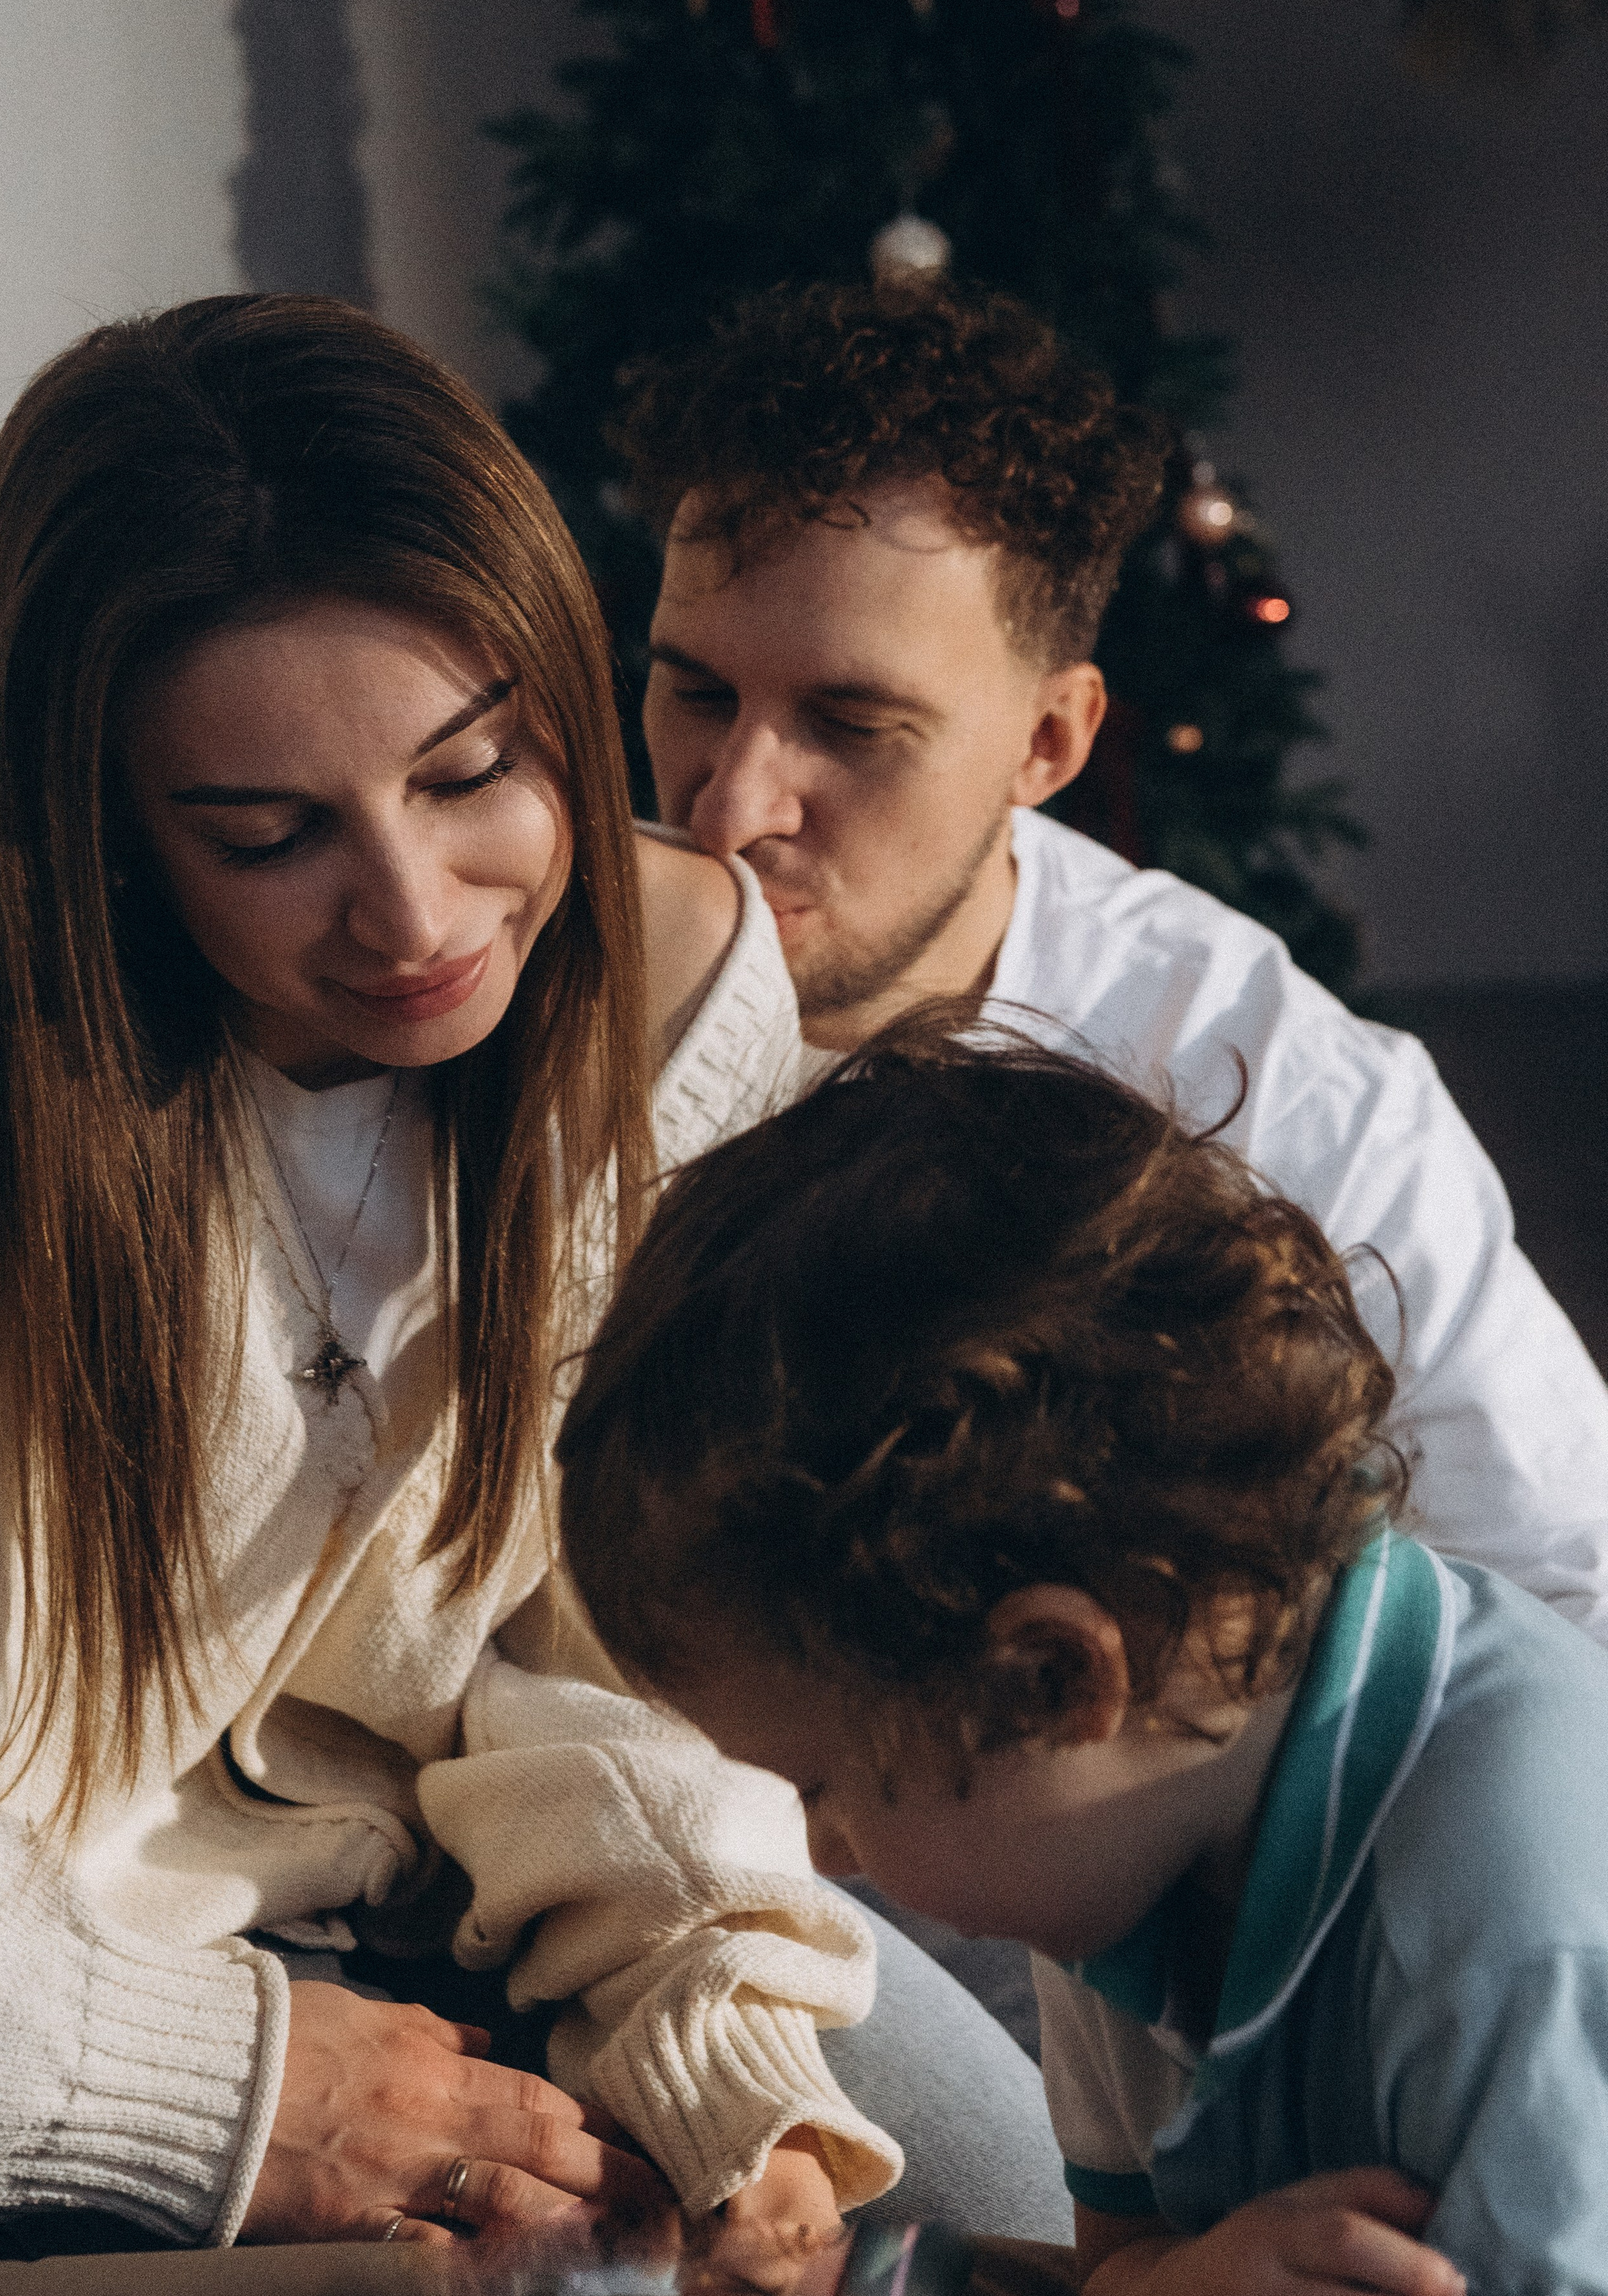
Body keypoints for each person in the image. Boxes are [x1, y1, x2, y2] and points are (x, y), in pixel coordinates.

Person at [0, 296, 1055, 2271]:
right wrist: (204, 2092)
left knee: (996, 2221)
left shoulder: (678, 1006)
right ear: (106, 837)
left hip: (456, 1908)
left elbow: (624, 1648)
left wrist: (718, 2053)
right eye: (267, 836)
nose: (419, 920)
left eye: (477, 771)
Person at [557, 1021, 1608, 2296]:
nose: (822, 1853)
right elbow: (1120, 2271)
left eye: (824, 1785)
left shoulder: (1521, 1932)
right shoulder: (1125, 1821)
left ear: (1051, 1679)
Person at [621, 280, 1608, 1640]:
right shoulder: (505, 974)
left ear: (1047, 744)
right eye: (695, 690)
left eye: (850, 724)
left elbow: (1566, 1591)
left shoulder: (1282, 1094)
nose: (728, 808)